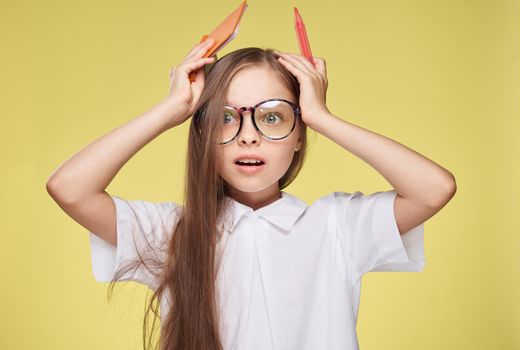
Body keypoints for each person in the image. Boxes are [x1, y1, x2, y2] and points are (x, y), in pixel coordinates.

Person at [46, 37, 456, 350]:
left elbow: (434, 189)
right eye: (226, 118)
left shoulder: (336, 227)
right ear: (203, 131)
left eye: (273, 116)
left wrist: (322, 117)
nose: (248, 137)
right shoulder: (172, 233)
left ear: (299, 135)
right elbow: (70, 188)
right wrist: (171, 109)